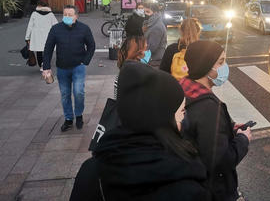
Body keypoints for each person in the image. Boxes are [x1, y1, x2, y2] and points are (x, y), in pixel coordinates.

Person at [70, 61, 209, 201]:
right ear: (163, 119)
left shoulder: (91, 171)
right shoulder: (186, 182)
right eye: (182, 111)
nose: (184, 117)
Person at [179, 40, 251, 201]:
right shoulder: (207, 107)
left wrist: (228, 128)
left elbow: (198, 134)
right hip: (213, 190)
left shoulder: (183, 89)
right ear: (205, 66)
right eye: (221, 62)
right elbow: (221, 160)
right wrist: (243, 139)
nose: (225, 66)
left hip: (192, 181)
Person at [42, 5, 95, 132]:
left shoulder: (84, 29)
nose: (67, 17)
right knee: (65, 94)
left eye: (70, 15)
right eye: (65, 14)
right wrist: (46, 67)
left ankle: (79, 115)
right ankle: (68, 119)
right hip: (62, 68)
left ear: (76, 16)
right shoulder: (56, 29)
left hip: (78, 66)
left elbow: (91, 46)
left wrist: (85, 61)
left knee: (78, 92)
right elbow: (48, 48)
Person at [114, 14, 150, 99]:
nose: (146, 27)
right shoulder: (138, 42)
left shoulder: (127, 42)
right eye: (144, 24)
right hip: (134, 82)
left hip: (122, 79)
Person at [25, 0, 58, 71]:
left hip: (37, 36)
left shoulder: (34, 14)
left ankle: (41, 65)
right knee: (48, 51)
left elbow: (30, 26)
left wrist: (27, 37)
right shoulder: (51, 14)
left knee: (39, 51)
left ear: (39, 5)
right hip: (48, 36)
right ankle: (46, 64)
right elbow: (56, 25)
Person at [143, 3, 167, 68]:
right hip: (151, 60)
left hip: (154, 62)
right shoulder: (151, 23)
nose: (145, 14)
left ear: (155, 12)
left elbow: (151, 48)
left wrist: (141, 58)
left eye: (148, 12)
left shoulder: (157, 27)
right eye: (144, 11)